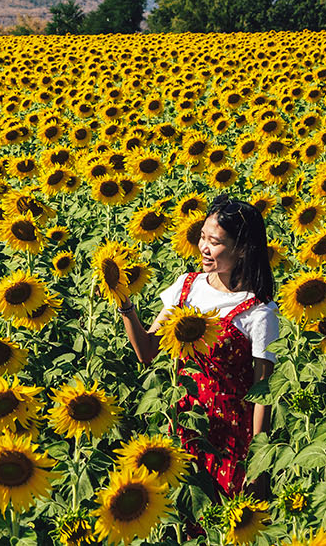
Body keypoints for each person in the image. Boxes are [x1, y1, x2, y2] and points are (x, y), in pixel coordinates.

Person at [119, 194, 279, 500]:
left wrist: (259, 463)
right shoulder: (187, 286)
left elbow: (264, 394)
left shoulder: (258, 312)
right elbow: (147, 352)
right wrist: (125, 303)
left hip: (231, 438)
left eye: (215, 242)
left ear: (242, 249)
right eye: (203, 237)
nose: (203, 248)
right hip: (182, 424)